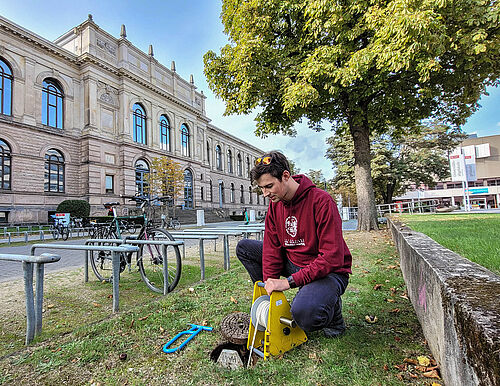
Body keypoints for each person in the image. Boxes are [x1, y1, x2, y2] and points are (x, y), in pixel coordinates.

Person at [236, 151, 352, 337]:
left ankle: (334, 315)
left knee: (304, 315)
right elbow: (271, 250)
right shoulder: (275, 205)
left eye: (269, 186)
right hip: (294, 263)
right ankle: (282, 297)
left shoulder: (321, 201)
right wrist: (270, 290)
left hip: (329, 271)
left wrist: (288, 283)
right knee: (245, 248)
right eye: (261, 188)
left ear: (285, 176)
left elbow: (332, 258)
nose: (265, 194)